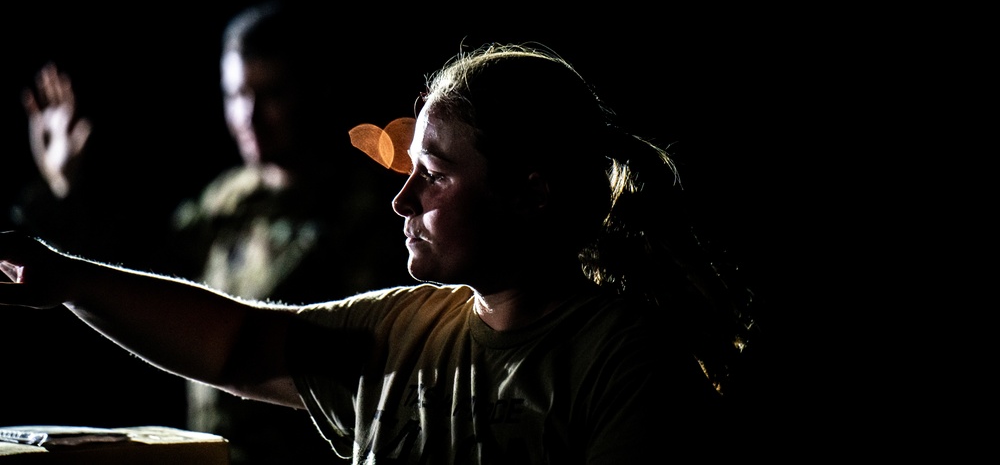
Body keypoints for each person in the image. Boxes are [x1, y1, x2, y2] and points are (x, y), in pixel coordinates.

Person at [2, 42, 760, 463]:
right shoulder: (405, 329)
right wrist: (64, 276)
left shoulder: (624, 364)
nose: (404, 200)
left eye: (434, 176)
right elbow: (232, 343)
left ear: (530, 194)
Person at [7, 0, 413, 463]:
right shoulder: (226, 201)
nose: (250, 116)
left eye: (273, 93)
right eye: (237, 95)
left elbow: (366, 367)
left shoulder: (365, 209)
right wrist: (64, 190)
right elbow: (142, 282)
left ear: (314, 89)